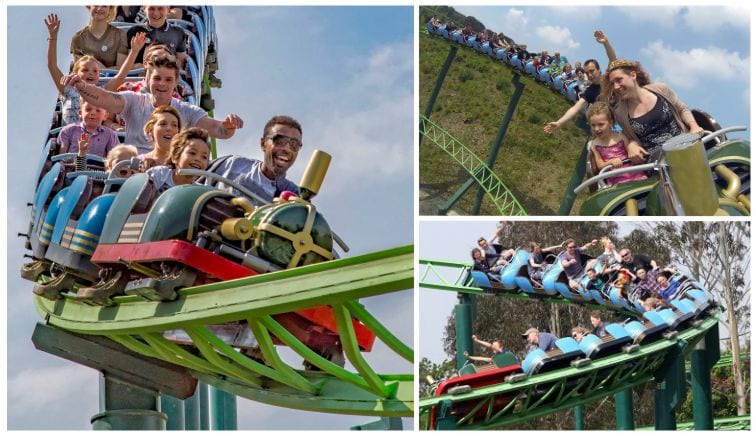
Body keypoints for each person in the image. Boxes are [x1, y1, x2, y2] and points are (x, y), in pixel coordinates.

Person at [61, 56, 243, 153]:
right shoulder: (134, 100)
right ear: (147, 79)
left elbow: (218, 130)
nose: (162, 84)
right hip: (134, 169)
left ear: (176, 82)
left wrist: (228, 126)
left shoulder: (185, 110)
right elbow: (103, 98)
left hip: (166, 169)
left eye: (168, 79)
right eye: (157, 78)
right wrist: (82, 86)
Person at [45, 13, 147, 125]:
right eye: (85, 70)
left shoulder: (103, 90)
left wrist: (134, 51)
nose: (90, 74)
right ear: (75, 72)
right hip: (70, 139)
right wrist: (52, 37)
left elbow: (121, 75)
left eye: (95, 71)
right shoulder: (68, 88)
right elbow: (52, 65)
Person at [601, 59, 703, 163]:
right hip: (657, 164)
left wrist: (694, 126)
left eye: (619, 80)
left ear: (633, 75)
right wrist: (632, 145)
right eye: (613, 83)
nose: (616, 87)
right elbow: (628, 136)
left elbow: (682, 109)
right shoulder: (619, 113)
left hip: (685, 148)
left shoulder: (660, 89)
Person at [208, 115, 301, 203]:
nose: (287, 149)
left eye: (294, 144)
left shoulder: (294, 195)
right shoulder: (233, 164)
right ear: (263, 143)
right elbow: (195, 177)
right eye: (279, 141)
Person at [543, 30, 617, 134]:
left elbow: (613, 60)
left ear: (599, 70)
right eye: (587, 72)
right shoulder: (590, 91)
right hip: (612, 127)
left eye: (592, 71)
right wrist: (559, 123)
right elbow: (575, 108)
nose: (590, 75)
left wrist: (606, 42)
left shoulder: (607, 79)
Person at [586, 101, 648, 186]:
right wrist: (610, 162)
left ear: (610, 123)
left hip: (633, 172)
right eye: (593, 125)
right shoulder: (594, 145)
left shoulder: (620, 136)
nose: (596, 128)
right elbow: (600, 165)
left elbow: (630, 151)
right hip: (616, 179)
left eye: (601, 124)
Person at [145, 127, 211, 193]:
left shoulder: (200, 192)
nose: (198, 159)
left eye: (204, 157)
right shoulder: (160, 174)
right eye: (192, 153)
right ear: (175, 157)